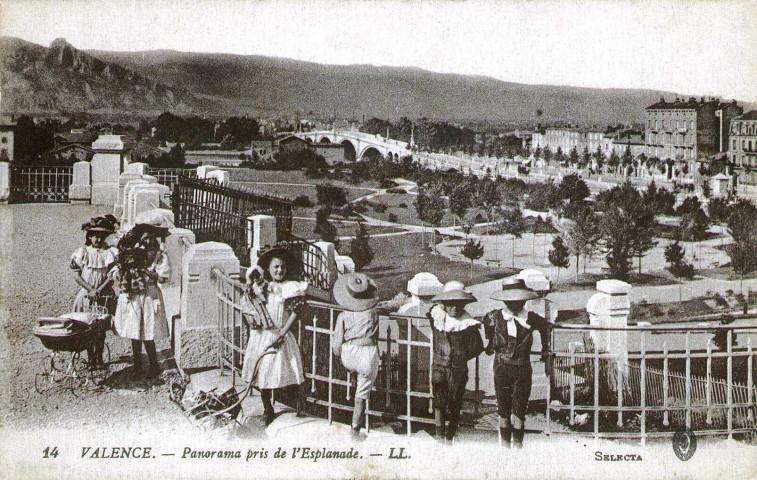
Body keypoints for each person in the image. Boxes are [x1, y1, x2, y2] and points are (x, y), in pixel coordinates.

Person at [241, 245, 309, 426]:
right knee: (262, 371)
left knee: (291, 369)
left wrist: (283, 332)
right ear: (268, 269)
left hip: (281, 333)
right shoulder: (262, 287)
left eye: (282, 267)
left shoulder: (290, 288)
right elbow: (251, 305)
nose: (279, 270)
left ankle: (300, 402)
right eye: (276, 267)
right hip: (263, 334)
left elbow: (295, 312)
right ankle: (267, 408)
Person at [483, 277, 551, 449]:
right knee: (503, 408)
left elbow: (546, 328)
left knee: (519, 410)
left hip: (522, 368)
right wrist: (490, 343)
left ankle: (518, 448)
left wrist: (545, 348)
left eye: (518, 301)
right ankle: (505, 447)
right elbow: (488, 329)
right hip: (501, 368)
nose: (514, 305)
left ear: (524, 300)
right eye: (510, 301)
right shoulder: (494, 317)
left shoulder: (531, 318)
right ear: (504, 300)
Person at [112, 223, 171, 380]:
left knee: (148, 330)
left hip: (150, 294)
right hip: (134, 294)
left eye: (151, 238)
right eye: (144, 237)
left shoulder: (160, 256)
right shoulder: (131, 254)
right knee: (134, 329)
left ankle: (154, 365)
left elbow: (163, 278)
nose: (147, 241)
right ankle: (138, 366)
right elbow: (116, 274)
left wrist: (145, 271)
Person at [427, 281, 484, 443]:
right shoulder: (437, 317)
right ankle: (439, 436)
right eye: (450, 304)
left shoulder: (467, 323)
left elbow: (477, 346)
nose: (455, 308)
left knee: (455, 402)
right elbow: (431, 311)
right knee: (439, 401)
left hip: (457, 369)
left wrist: (461, 356)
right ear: (443, 304)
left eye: (459, 304)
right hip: (439, 367)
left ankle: (449, 437)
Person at [331, 272, 380, 440]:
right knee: (362, 395)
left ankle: (352, 379)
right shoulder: (373, 313)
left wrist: (339, 354)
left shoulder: (343, 316)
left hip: (349, 353)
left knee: (354, 372)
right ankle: (355, 430)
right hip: (367, 353)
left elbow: (337, 344)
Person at [70, 214, 119, 367]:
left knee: (100, 329)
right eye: (94, 236)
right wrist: (90, 289)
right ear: (89, 237)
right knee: (87, 328)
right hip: (86, 295)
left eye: (101, 236)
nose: (98, 239)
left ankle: (99, 356)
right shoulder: (82, 252)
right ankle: (90, 357)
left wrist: (99, 289)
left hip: (103, 294)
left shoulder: (110, 252)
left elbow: (112, 275)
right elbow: (76, 275)